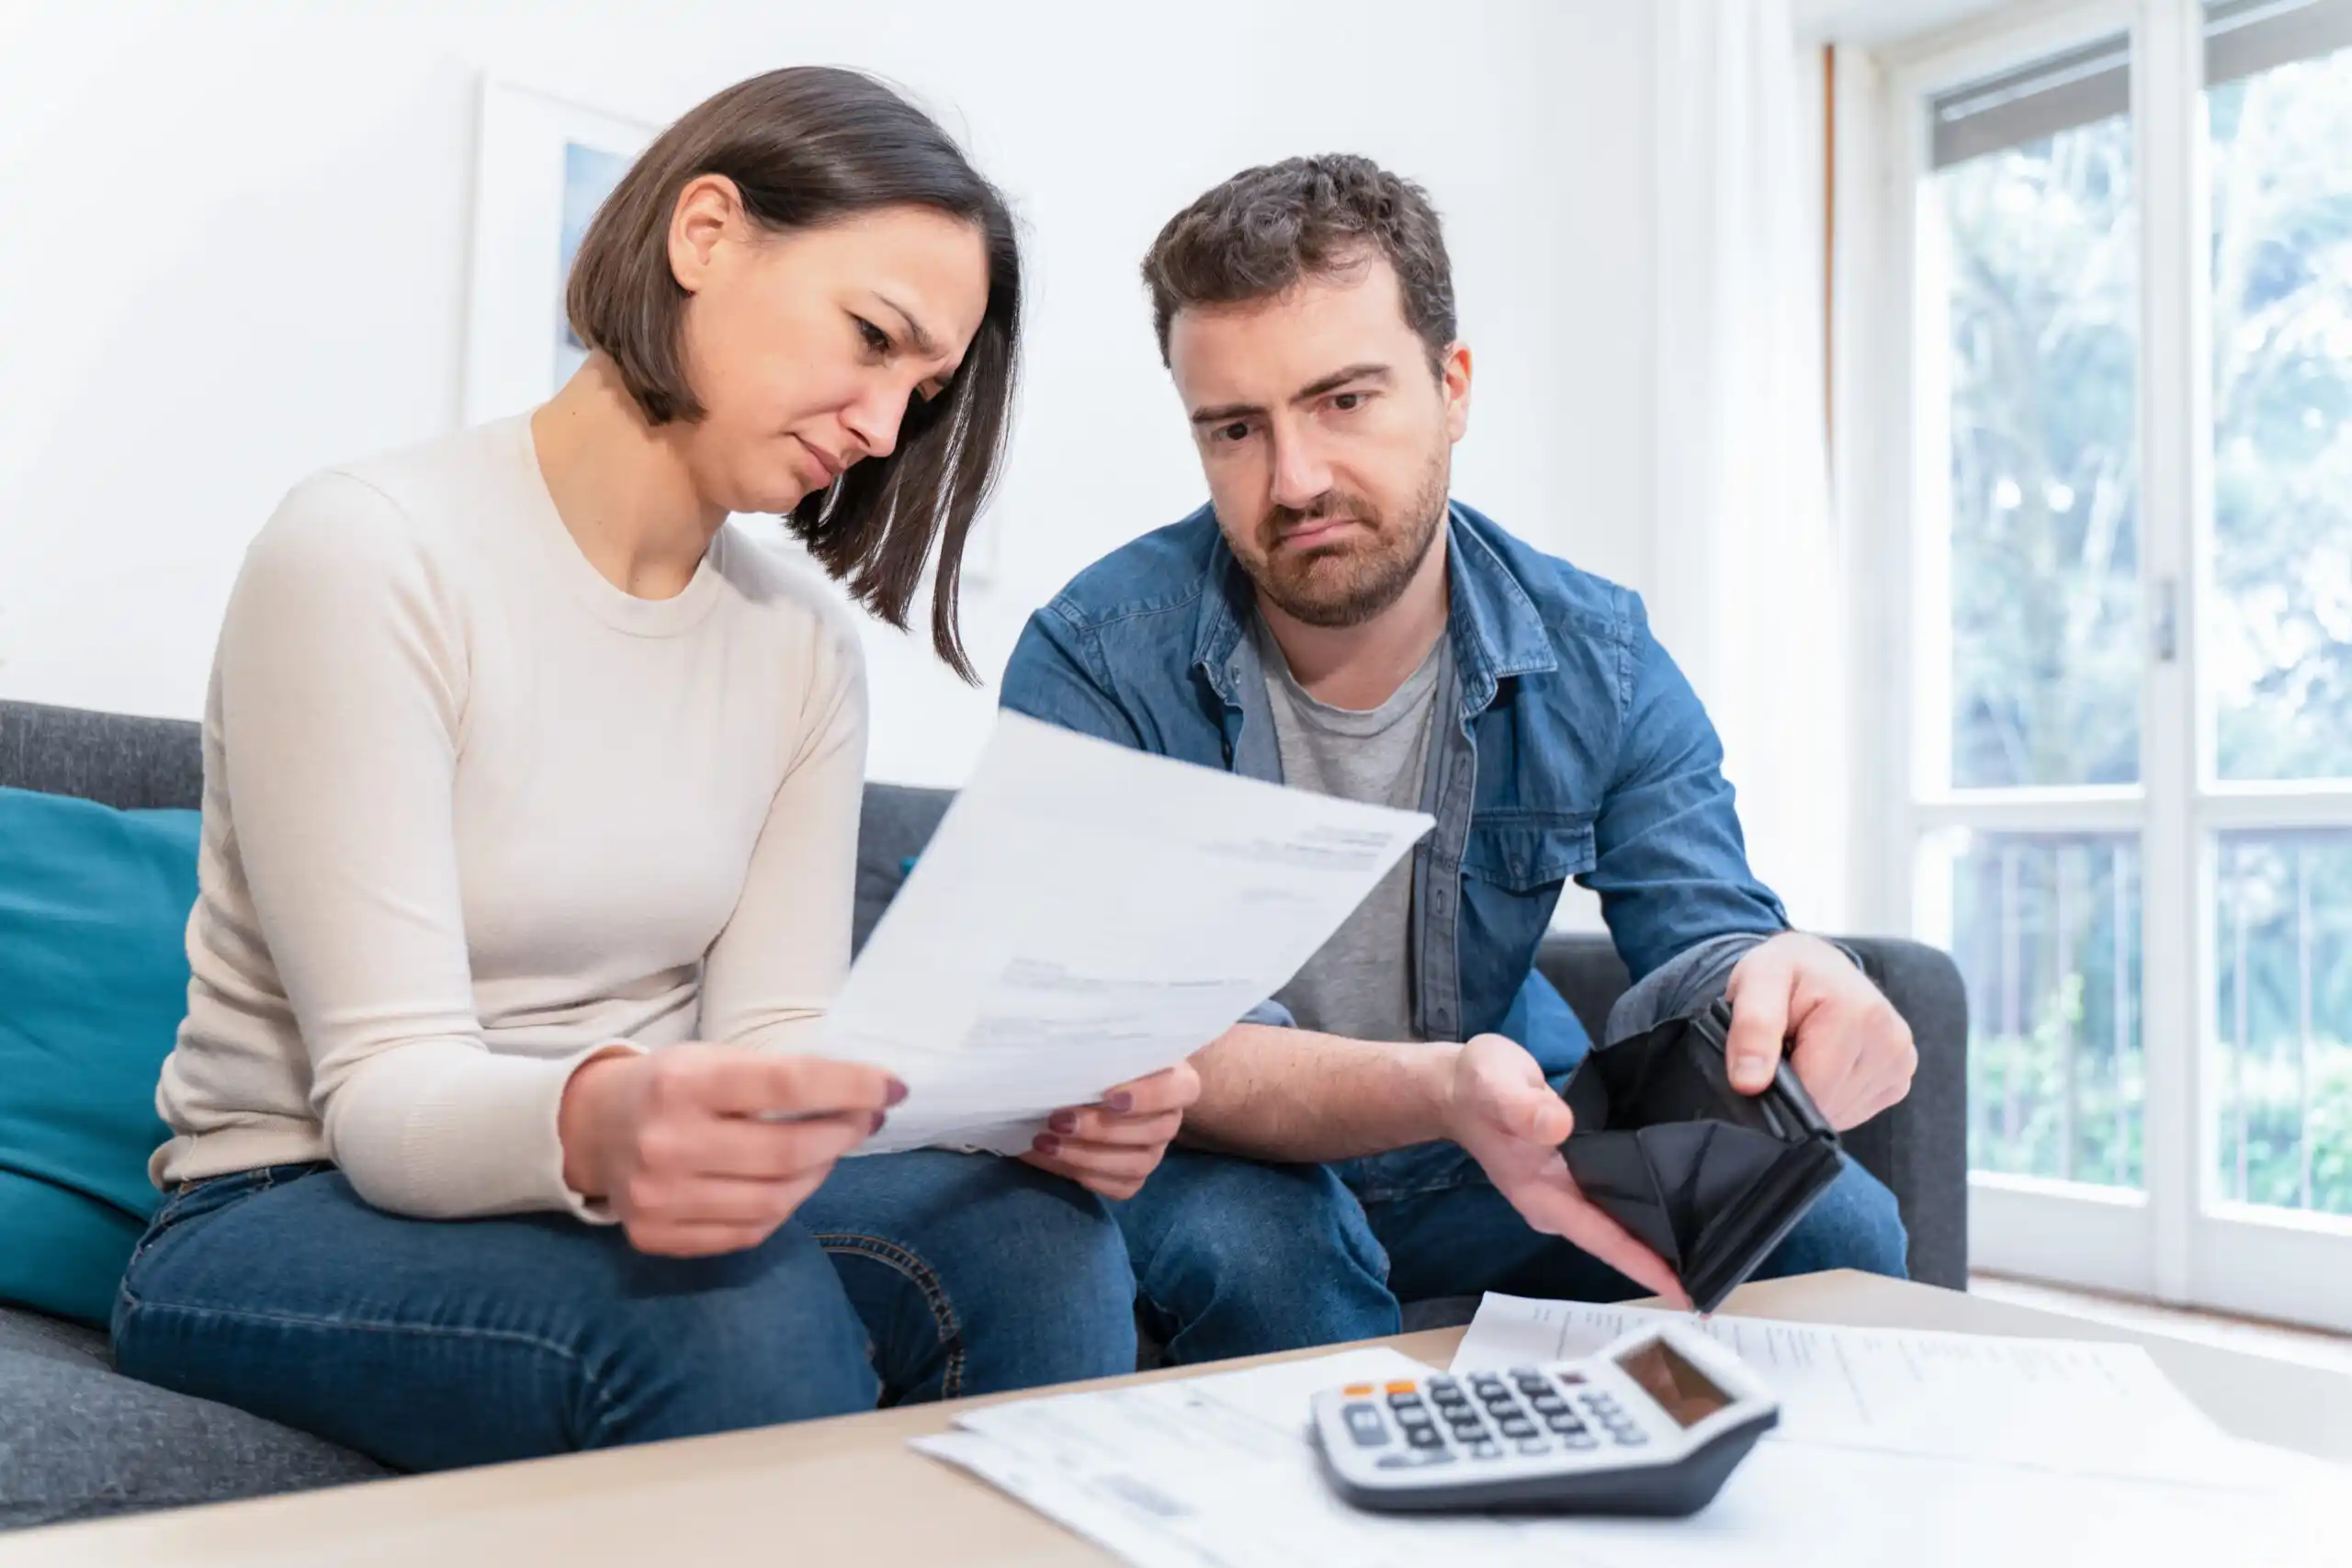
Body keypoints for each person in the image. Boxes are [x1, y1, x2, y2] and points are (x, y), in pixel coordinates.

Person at [113, 67, 1195, 1472]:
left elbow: (768, 1047)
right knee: (732, 1320)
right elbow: (383, 1098)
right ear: (706, 235)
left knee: (1034, 1248)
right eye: (872, 338)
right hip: (280, 1200)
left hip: (637, 1173)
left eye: (920, 391)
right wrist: (612, 1111)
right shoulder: (367, 552)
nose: (880, 426)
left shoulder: (803, 649)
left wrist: (1022, 1108)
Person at [1000, 155, 1917, 1364]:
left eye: (1344, 400)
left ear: (1453, 387)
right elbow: (1128, 1037)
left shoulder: (1599, 656)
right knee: (1266, 1255)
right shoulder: (1099, 659)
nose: (1295, 479)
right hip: (1230, 1162)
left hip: (1495, 1142)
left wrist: (1789, 977)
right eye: (1236, 427)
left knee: (1835, 1220)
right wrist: (1437, 1085)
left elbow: (1703, 937)